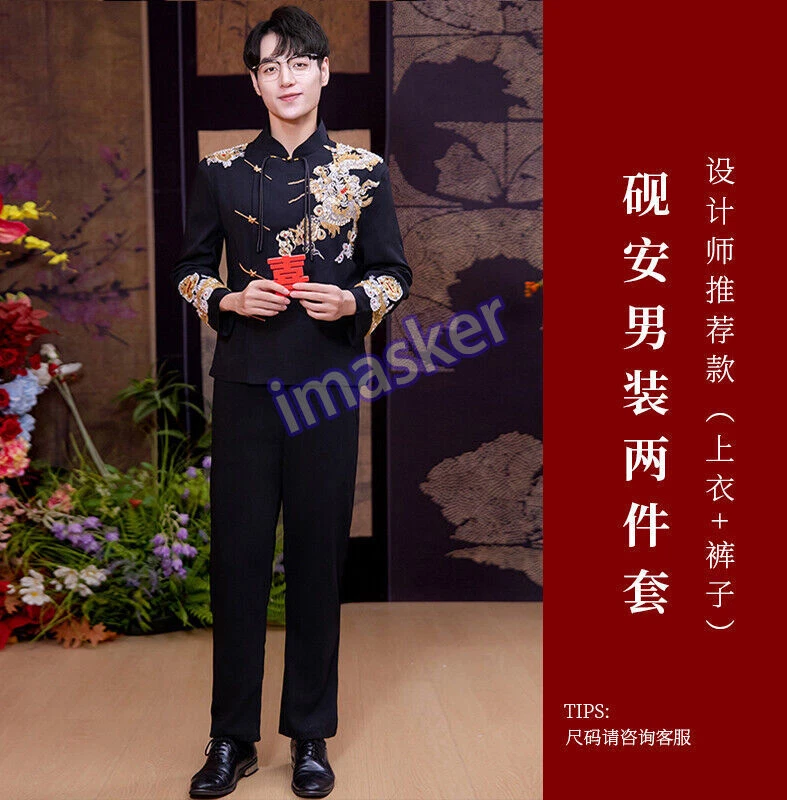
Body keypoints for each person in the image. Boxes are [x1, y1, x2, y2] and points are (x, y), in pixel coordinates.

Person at [170, 6, 412, 798]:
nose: (285, 78)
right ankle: (230, 738)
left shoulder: (363, 171)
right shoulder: (221, 170)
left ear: (323, 72)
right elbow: (189, 269)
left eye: (299, 63)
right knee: (237, 561)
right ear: (255, 82)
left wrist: (354, 302)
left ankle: (310, 734)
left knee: (316, 558)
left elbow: (393, 273)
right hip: (245, 386)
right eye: (269, 67)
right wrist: (227, 301)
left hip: (328, 384)